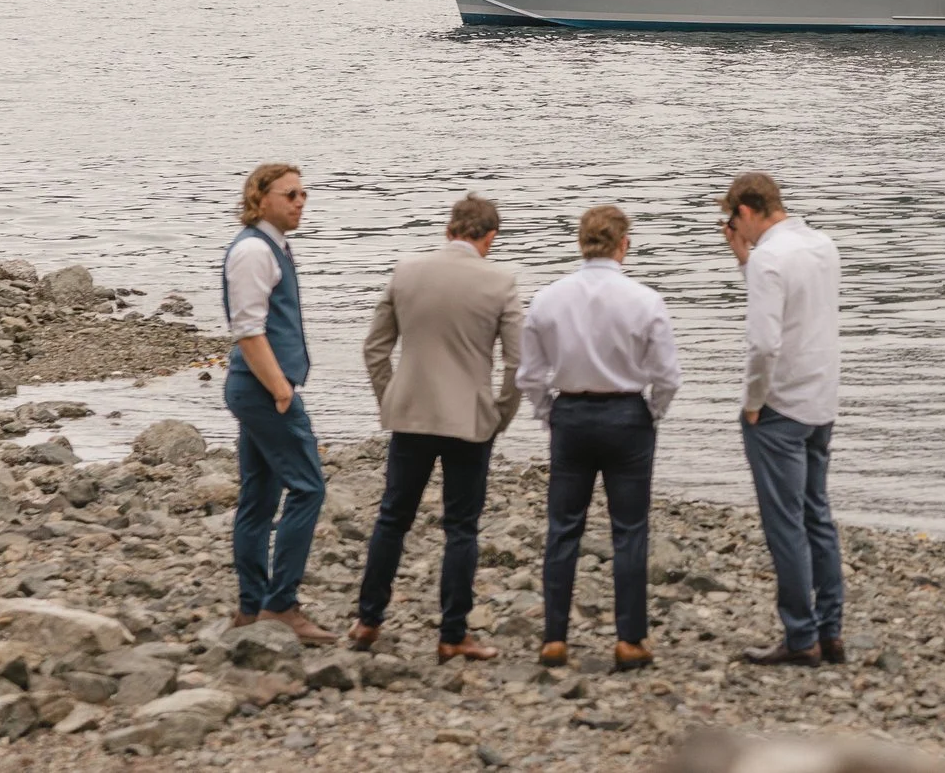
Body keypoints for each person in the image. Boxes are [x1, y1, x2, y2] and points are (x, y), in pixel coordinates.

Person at [350, 194, 524, 661]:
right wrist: (500, 414)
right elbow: (519, 363)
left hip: (411, 414)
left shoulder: (406, 272)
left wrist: (391, 398)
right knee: (461, 527)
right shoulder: (501, 282)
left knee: (393, 518)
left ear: (449, 231)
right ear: (489, 237)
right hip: (470, 419)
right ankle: (452, 633)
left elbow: (375, 349)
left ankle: (368, 621)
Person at [518, 204, 679, 672]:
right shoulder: (645, 299)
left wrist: (549, 412)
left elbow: (530, 375)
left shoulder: (549, 298)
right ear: (623, 245)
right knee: (629, 530)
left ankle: (554, 638)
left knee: (563, 527)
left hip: (571, 411)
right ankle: (629, 640)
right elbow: (667, 375)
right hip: (627, 414)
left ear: (580, 243)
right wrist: (652, 412)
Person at [721, 172, 844, 667]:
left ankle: (800, 636)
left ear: (747, 211)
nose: (732, 229)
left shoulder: (770, 259)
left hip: (781, 405)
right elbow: (800, 308)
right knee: (817, 513)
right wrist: (743, 261)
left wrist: (754, 402)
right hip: (821, 398)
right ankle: (830, 629)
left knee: (785, 524)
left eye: (732, 219)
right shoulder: (821, 245)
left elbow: (764, 344)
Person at [223, 162, 332, 646]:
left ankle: (252, 606)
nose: (300, 202)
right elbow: (247, 329)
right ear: (260, 198)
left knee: (261, 496)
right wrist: (283, 390)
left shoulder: (274, 248)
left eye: (303, 194)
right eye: (290, 194)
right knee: (308, 488)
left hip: (260, 389)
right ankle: (281, 604)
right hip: (265, 390)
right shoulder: (252, 250)